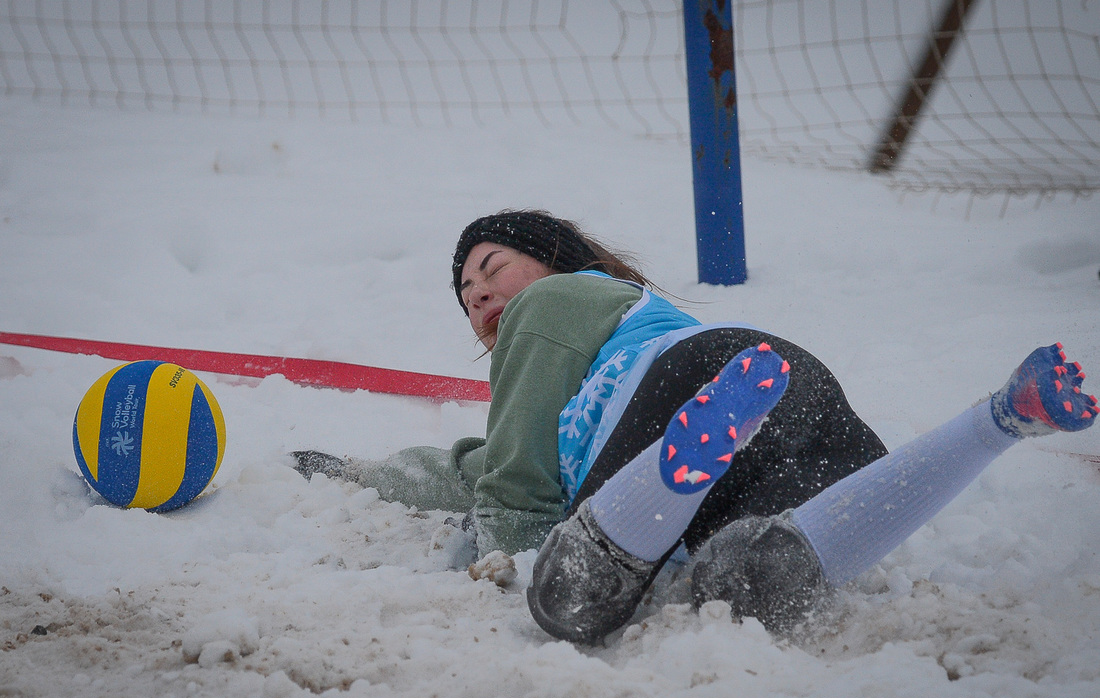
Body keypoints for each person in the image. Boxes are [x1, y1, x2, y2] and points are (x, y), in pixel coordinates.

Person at [294, 209, 1097, 645]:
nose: (477, 297)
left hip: (674, 395)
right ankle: (1000, 419)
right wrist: (364, 473)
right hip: (788, 386)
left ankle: (678, 467)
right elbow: (481, 462)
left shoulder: (561, 301)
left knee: (574, 597)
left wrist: (497, 547)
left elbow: (513, 490)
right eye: (465, 298)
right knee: (758, 577)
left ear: (556, 261)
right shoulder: (613, 330)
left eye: (491, 268)